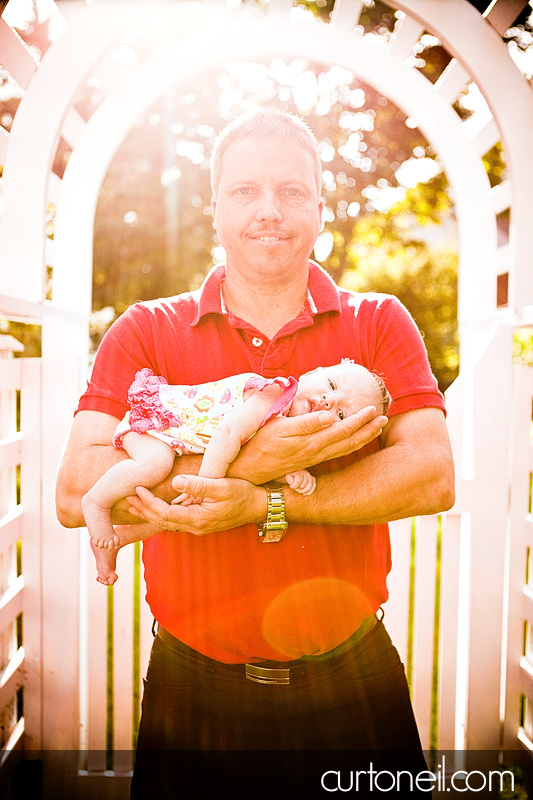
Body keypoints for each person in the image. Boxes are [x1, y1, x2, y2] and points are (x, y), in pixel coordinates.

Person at [55, 107, 455, 797]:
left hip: (353, 685)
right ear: (213, 207)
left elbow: (430, 475)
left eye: (291, 191)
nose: (268, 211)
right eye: (244, 191)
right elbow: (74, 490)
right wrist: (252, 462)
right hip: (193, 691)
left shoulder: (376, 322)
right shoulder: (147, 330)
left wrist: (261, 504)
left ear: (319, 208)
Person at [83, 361, 391, 585]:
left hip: (182, 443)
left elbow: (263, 457)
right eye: (332, 385)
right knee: (154, 466)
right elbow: (229, 433)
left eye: (340, 413)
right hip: (161, 423)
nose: (329, 399)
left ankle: (113, 543)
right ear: (312, 373)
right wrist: (205, 485)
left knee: (167, 516)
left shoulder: (287, 424)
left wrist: (294, 474)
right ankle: (96, 501)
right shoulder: (272, 396)